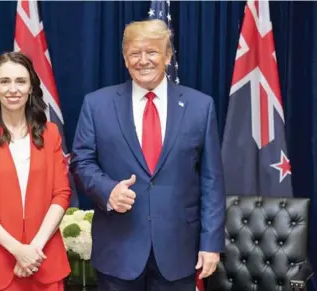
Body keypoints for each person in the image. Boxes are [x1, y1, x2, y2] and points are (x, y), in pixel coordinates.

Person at [70, 19, 226, 291]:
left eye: (152, 52)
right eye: (134, 53)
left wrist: (211, 244)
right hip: (118, 251)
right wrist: (108, 191)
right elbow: (81, 162)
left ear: (167, 56)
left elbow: (211, 181)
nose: (143, 60)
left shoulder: (201, 106)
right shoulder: (97, 104)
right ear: (125, 58)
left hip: (179, 251)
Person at [0, 52, 71, 291]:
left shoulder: (50, 133)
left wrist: (33, 250)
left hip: (43, 260)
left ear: (31, 87)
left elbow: (61, 194)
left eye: (21, 81)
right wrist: (18, 250)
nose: (13, 89)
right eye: (5, 81)